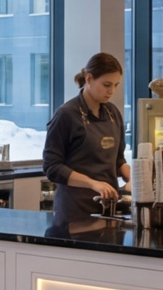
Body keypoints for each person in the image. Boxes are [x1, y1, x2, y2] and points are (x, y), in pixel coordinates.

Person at [43, 53, 130, 223]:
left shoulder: (113, 113)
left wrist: (133, 178)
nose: (111, 91)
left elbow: (118, 160)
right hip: (74, 211)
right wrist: (93, 183)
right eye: (106, 85)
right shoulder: (66, 115)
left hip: (109, 208)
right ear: (89, 79)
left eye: (116, 85)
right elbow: (52, 167)